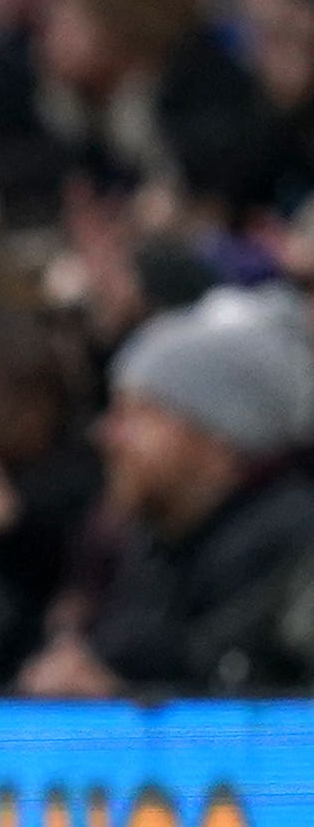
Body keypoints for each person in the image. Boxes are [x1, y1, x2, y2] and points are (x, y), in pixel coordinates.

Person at [22, 288, 314, 696]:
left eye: (138, 414)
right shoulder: (154, 540)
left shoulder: (289, 556)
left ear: (218, 438)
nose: (108, 435)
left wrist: (119, 702)